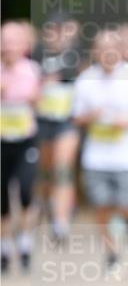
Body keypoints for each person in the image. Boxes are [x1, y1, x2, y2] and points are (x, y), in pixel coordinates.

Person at [71, 29, 128, 268]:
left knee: (125, 204)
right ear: (95, 52)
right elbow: (76, 117)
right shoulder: (85, 79)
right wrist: (91, 116)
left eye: (111, 48)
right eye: (102, 49)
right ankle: (111, 252)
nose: (107, 54)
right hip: (96, 157)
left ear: (121, 51)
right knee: (101, 205)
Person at [34, 14, 82, 243]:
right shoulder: (36, 56)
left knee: (63, 167)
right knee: (45, 171)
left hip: (67, 121)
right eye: (54, 29)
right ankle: (48, 205)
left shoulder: (78, 56)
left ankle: (61, 222)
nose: (58, 35)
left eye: (63, 30)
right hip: (42, 121)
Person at [1, 22, 42, 272]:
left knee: (26, 189)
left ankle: (26, 240)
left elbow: (41, 102)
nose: (8, 47)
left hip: (26, 140)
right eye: (4, 42)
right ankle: (4, 245)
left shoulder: (32, 70)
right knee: (2, 196)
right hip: (2, 141)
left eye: (13, 42)